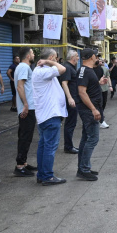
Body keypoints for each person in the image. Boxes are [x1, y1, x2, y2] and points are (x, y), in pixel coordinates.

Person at [32, 48, 67, 186]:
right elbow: (62, 69)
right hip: (50, 115)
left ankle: (42, 174)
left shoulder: (40, 71)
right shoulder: (44, 71)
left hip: (45, 115)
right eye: (56, 58)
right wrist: (48, 61)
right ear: (52, 57)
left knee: (44, 146)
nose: (57, 61)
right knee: (50, 147)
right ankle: (47, 175)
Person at [76, 49, 106, 181]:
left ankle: (82, 168)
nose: (97, 57)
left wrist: (98, 83)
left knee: (85, 138)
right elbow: (82, 92)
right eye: (96, 55)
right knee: (93, 138)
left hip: (88, 108)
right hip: (89, 110)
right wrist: (93, 109)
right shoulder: (85, 71)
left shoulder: (85, 70)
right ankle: (84, 169)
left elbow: (87, 87)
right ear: (92, 56)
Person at [14, 47, 38, 177]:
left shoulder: (23, 67)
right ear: (28, 56)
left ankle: (23, 163)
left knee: (26, 136)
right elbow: (20, 86)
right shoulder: (24, 67)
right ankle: (20, 166)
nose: (34, 55)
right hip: (27, 108)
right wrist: (25, 104)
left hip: (28, 107)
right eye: (33, 53)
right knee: (25, 136)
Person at [61, 50, 80, 154]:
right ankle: (68, 146)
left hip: (74, 99)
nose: (78, 58)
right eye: (77, 56)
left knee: (72, 123)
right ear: (73, 57)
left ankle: (69, 145)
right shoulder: (67, 67)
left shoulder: (71, 67)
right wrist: (70, 98)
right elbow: (64, 83)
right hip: (71, 100)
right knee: (70, 123)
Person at [95, 58, 112, 129]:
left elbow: (108, 77)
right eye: (99, 61)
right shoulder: (93, 69)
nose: (100, 62)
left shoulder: (104, 69)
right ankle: (101, 120)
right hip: (98, 90)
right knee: (100, 104)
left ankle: (101, 115)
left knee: (104, 103)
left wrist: (110, 86)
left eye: (101, 61)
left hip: (104, 89)